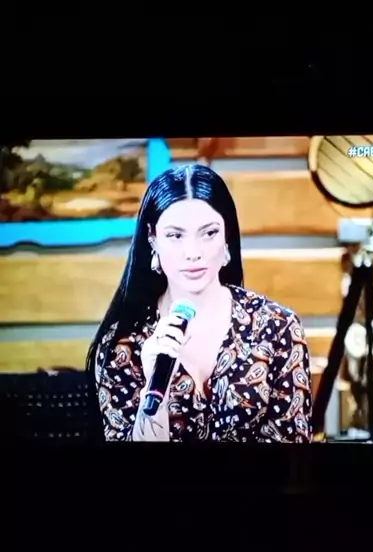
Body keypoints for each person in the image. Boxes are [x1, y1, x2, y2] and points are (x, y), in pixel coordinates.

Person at [86, 164, 313, 442]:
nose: (193, 253)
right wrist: (155, 392)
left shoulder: (277, 328)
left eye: (209, 233)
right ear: (152, 239)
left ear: (227, 236)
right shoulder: (122, 344)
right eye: (175, 235)